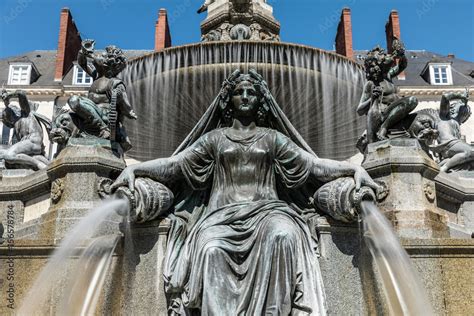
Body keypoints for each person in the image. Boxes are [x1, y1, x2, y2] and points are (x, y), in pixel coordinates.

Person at [111, 70, 381, 315]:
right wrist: (136, 170)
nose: (245, 96)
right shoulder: (215, 138)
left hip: (269, 213)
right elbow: (175, 165)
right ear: (228, 100)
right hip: (220, 218)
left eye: (251, 92)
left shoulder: (272, 138)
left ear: (260, 100)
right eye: (239, 92)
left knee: (284, 236)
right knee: (210, 249)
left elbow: (313, 165)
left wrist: (351, 170)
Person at [67, 39, 137, 151]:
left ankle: (103, 129)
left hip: (104, 115)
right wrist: (83, 51)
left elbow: (125, 105)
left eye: (102, 56)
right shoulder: (96, 76)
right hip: (89, 111)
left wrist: (130, 112)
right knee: (64, 117)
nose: (97, 56)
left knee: (74, 100)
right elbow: (82, 63)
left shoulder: (114, 83)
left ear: (107, 64)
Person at [357, 39, 418, 145]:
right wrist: (372, 98)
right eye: (382, 55)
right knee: (412, 100)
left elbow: (402, 66)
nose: (386, 56)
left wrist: (401, 55)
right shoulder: (371, 83)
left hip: (397, 112)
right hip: (383, 114)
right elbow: (359, 110)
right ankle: (384, 127)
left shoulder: (389, 75)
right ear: (375, 64)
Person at [0, 89, 50, 170]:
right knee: (5, 157)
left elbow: (21, 93)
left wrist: (9, 95)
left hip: (33, 141)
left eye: (8, 116)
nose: (9, 120)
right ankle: (39, 162)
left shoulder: (26, 113)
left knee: (9, 155)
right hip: (32, 146)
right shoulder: (17, 124)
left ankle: (37, 163)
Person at [431, 90, 472, 172]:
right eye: (461, 107)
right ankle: (445, 167)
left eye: (466, 113)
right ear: (453, 109)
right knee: (471, 151)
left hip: (450, 147)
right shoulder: (445, 116)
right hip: (448, 143)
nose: (465, 113)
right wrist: (460, 95)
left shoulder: (456, 125)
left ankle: (441, 167)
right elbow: (445, 97)